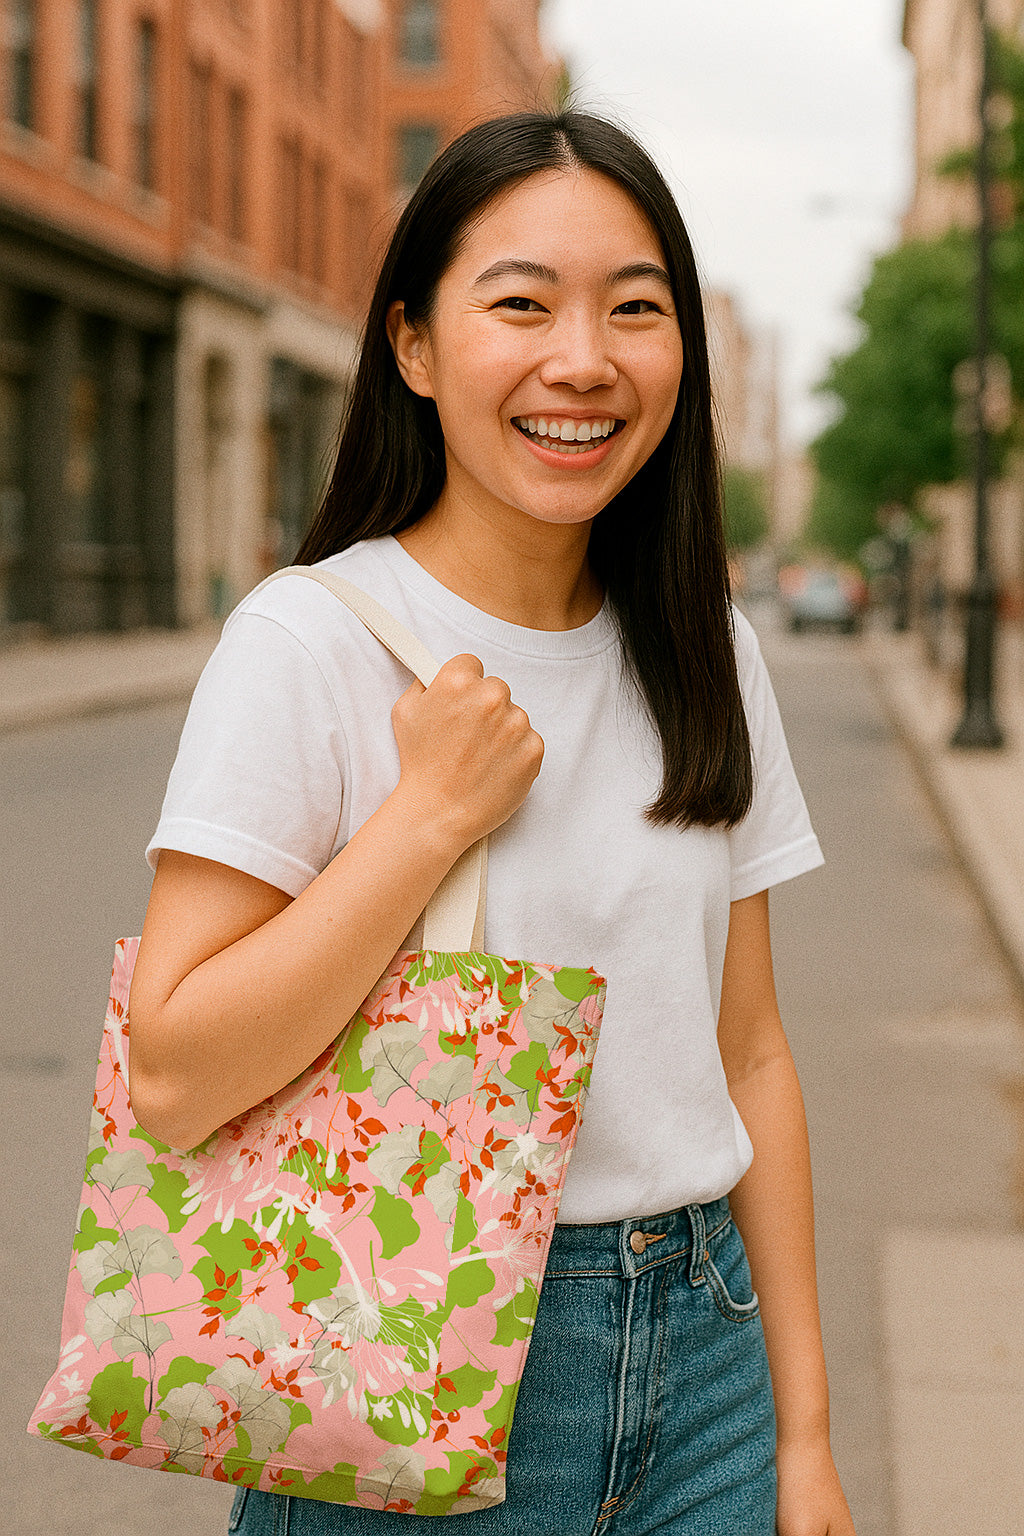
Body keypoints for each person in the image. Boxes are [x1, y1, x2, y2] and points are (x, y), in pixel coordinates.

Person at [128, 111, 855, 1536]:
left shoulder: (705, 644)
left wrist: (805, 1434)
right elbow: (173, 1071)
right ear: (413, 346)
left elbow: (751, 1050)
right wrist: (423, 821)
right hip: (405, 1343)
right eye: (520, 303)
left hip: (704, 1362)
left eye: (635, 311)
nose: (581, 360)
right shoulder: (311, 642)